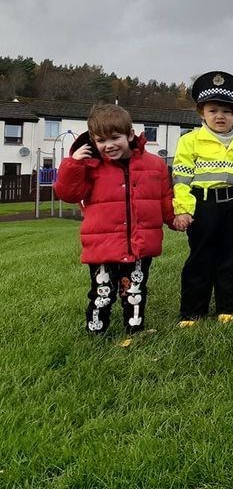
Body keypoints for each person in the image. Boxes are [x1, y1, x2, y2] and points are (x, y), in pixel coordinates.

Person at [53, 104, 175, 335]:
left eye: (115, 137)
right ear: (92, 141)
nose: (108, 145)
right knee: (102, 291)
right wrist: (73, 164)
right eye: (101, 140)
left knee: (135, 291)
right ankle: (96, 331)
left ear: (130, 134)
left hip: (140, 243)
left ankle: (134, 330)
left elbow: (164, 198)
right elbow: (68, 194)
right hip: (102, 245)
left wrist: (173, 219)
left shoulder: (155, 165)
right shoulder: (90, 166)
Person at [172, 71, 233, 324]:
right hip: (203, 205)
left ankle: (228, 308)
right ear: (202, 113)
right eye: (213, 110)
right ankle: (193, 311)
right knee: (201, 257)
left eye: (227, 111)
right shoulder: (190, 142)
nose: (220, 116)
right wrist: (183, 209)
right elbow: (182, 180)